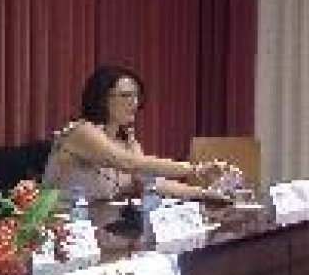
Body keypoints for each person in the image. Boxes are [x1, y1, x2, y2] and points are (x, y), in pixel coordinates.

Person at [43, 65, 232, 204]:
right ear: (101, 98)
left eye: (136, 96)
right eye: (125, 96)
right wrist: (196, 169)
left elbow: (150, 182)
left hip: (100, 227)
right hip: (64, 228)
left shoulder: (127, 140)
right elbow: (130, 163)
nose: (134, 103)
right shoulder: (81, 132)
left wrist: (205, 194)